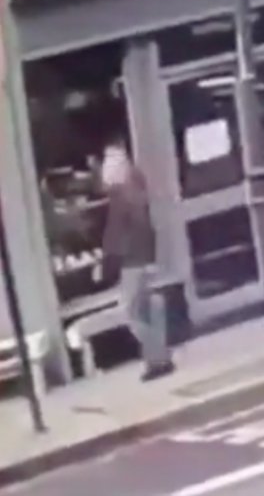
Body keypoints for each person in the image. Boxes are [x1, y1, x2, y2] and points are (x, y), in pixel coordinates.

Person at [101, 143, 175, 381]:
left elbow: (115, 235)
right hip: (144, 259)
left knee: (132, 314)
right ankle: (157, 360)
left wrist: (106, 263)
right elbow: (146, 228)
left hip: (132, 263)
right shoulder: (136, 192)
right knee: (147, 310)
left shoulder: (120, 198)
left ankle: (159, 357)